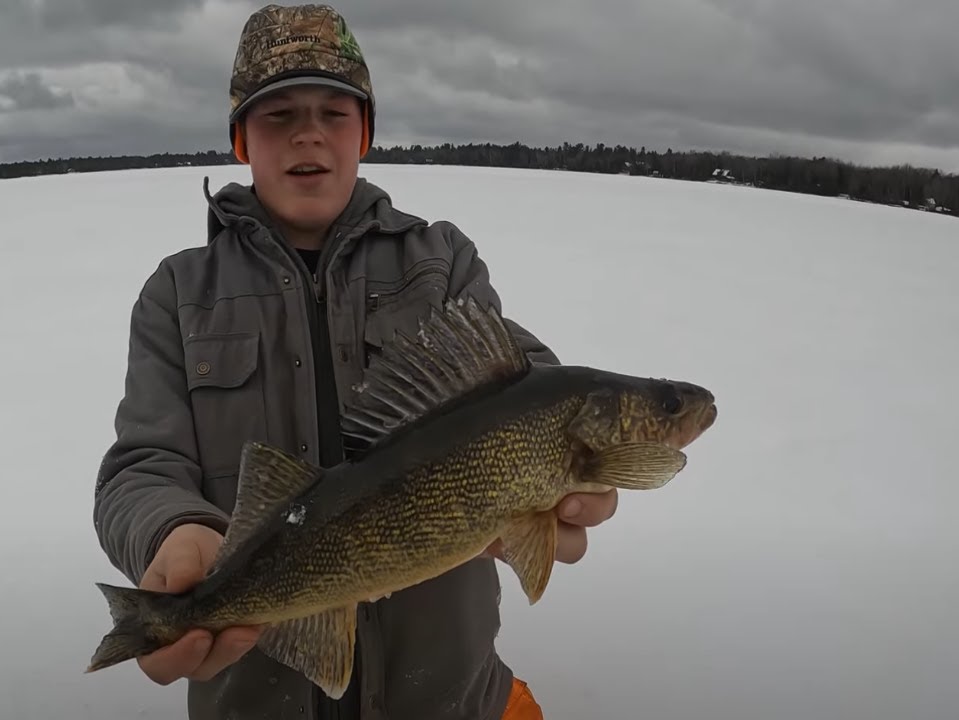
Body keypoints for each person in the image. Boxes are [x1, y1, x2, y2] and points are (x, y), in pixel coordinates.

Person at [92, 4, 619, 718]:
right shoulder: (180, 294)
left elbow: (523, 384)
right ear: (240, 139)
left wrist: (555, 472)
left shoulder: (441, 263)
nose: (308, 131)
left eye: (333, 112)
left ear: (364, 132)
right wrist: (171, 530)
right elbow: (141, 467)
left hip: (456, 701)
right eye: (277, 114)